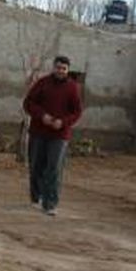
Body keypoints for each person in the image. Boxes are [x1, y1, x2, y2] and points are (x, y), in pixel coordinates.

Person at [22, 55, 83, 216]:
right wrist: (43, 116)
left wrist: (63, 122)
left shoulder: (73, 87)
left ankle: (50, 204)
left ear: (68, 70)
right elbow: (28, 103)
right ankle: (37, 197)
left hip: (60, 135)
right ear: (53, 68)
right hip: (38, 132)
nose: (60, 71)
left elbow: (77, 112)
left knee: (54, 169)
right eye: (58, 67)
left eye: (64, 68)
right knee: (36, 166)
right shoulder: (42, 83)